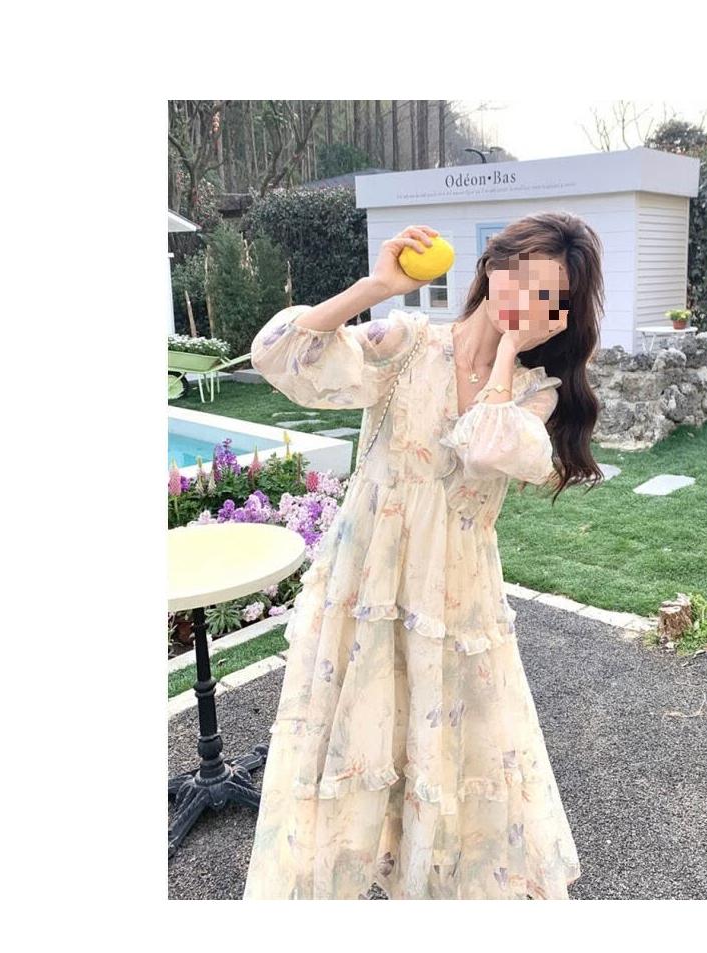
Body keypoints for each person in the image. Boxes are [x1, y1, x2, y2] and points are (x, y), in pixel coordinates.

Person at [242, 211, 605, 900]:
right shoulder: (408, 343)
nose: (523, 298)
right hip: (367, 586)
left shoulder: (536, 393)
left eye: (546, 294)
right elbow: (283, 357)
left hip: (456, 600)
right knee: (354, 745)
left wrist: (506, 351)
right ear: (491, 268)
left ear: (559, 316)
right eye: (518, 276)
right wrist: (376, 287)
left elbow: (489, 446)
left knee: (449, 759)